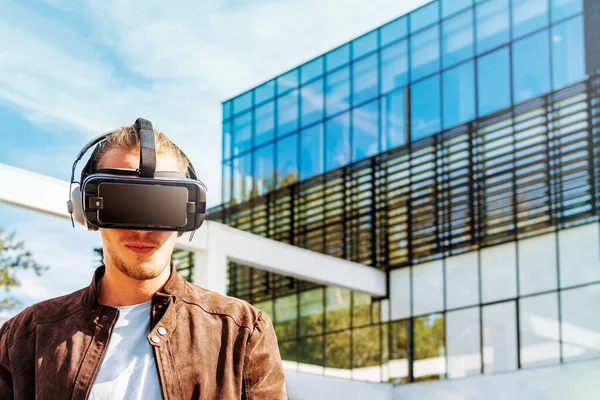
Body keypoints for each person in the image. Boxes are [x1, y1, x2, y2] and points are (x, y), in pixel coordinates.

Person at [0, 123, 287, 399]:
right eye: (123, 204)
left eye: (161, 206)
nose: (142, 229)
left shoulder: (242, 333)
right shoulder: (26, 335)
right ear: (85, 210)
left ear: (189, 216)